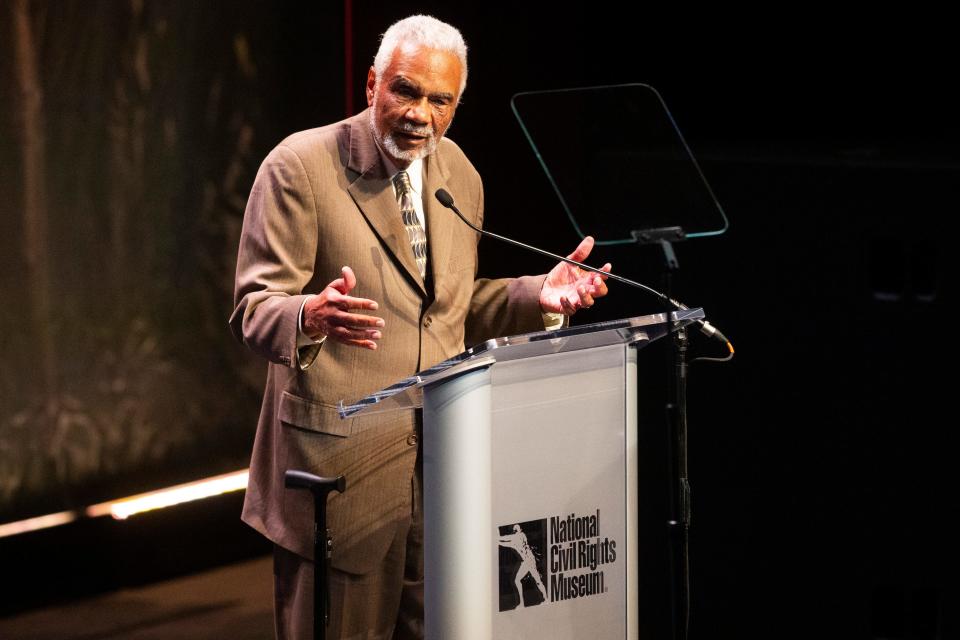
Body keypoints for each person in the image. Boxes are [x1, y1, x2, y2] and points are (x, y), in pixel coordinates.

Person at [229, 14, 610, 640]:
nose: (419, 114)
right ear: (371, 84)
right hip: (337, 477)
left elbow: (446, 311)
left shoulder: (459, 175)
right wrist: (309, 315)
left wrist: (537, 294)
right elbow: (254, 308)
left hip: (440, 477)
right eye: (406, 90)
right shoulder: (300, 166)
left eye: (441, 100)